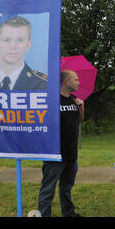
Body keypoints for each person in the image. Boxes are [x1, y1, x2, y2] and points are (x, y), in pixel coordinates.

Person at [38, 70, 84, 217]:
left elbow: (79, 121)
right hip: (55, 155)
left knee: (66, 188)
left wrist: (81, 107)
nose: (79, 82)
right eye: (75, 79)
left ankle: (69, 213)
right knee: (48, 190)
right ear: (67, 82)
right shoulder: (51, 100)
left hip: (72, 153)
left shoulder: (73, 99)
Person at [0, 16, 47, 90]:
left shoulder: (42, 83)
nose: (13, 46)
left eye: (20, 40)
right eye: (6, 40)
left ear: (28, 45)